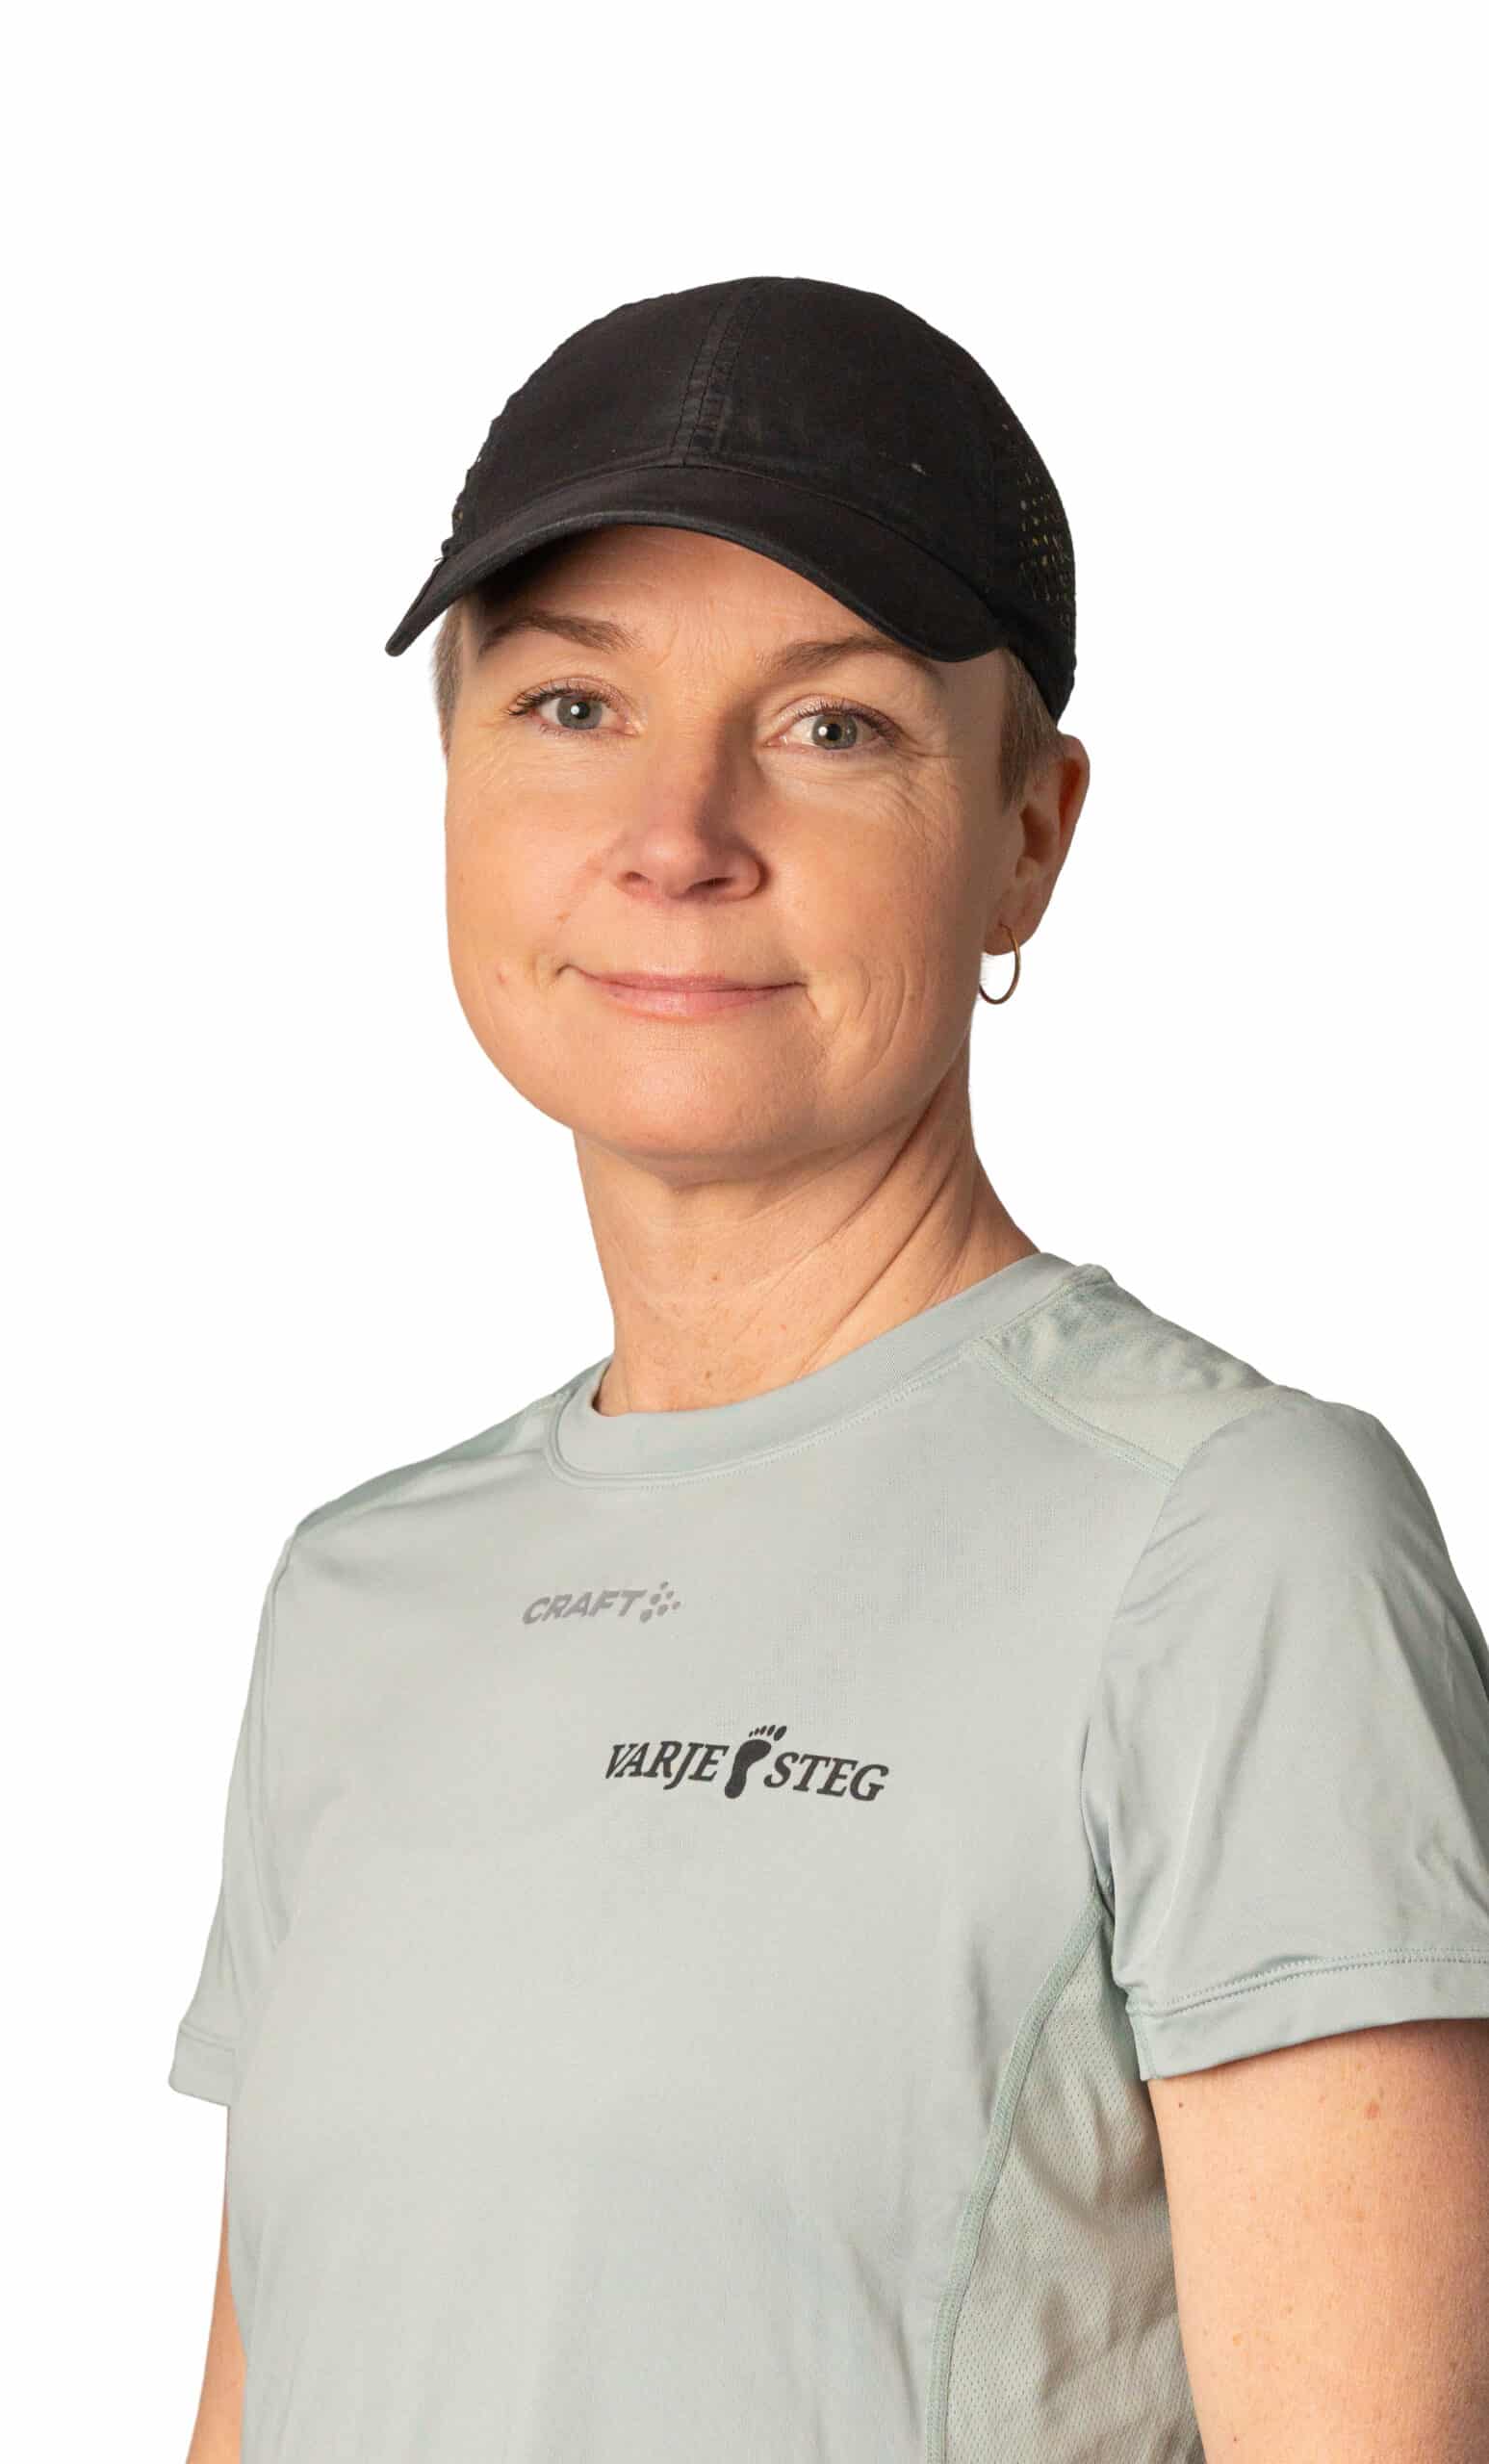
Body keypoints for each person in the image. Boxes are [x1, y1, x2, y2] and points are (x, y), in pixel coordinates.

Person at [168, 275, 1489, 2461]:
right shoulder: (361, 1592)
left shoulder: (1227, 1545)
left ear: (1028, 833)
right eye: (572, 705)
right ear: (453, 779)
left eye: (832, 727)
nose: (676, 830)